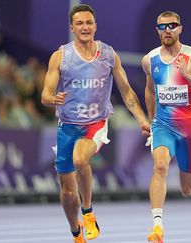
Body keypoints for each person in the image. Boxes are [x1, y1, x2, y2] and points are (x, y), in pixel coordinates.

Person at [41, 4, 150, 243]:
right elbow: (45, 95)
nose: (85, 27)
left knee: (81, 159)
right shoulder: (60, 57)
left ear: (95, 26)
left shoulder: (109, 55)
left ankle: (88, 213)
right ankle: (75, 232)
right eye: (79, 23)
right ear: (71, 28)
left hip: (96, 123)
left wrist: (143, 120)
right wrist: (53, 99)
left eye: (89, 22)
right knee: (68, 193)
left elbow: (127, 92)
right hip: (67, 127)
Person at [142, 10, 191, 243]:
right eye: (162, 26)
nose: (167, 30)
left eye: (172, 26)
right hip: (163, 125)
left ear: (180, 29)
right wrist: (151, 119)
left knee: (188, 189)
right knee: (160, 167)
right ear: (157, 30)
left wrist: (189, 76)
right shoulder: (149, 60)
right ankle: (157, 227)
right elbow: (149, 90)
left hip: (190, 129)